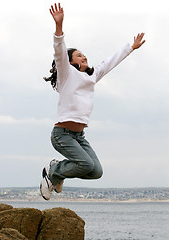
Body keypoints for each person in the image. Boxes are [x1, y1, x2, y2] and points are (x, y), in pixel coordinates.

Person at [40, 3, 145, 200]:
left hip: (79, 136)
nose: (84, 56)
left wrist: (131, 47)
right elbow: (59, 51)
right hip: (62, 135)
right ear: (71, 62)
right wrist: (59, 27)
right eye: (79, 55)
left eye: (84, 54)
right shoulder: (66, 73)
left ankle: (57, 170)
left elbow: (109, 63)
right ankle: (54, 172)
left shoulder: (92, 75)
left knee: (96, 171)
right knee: (86, 165)